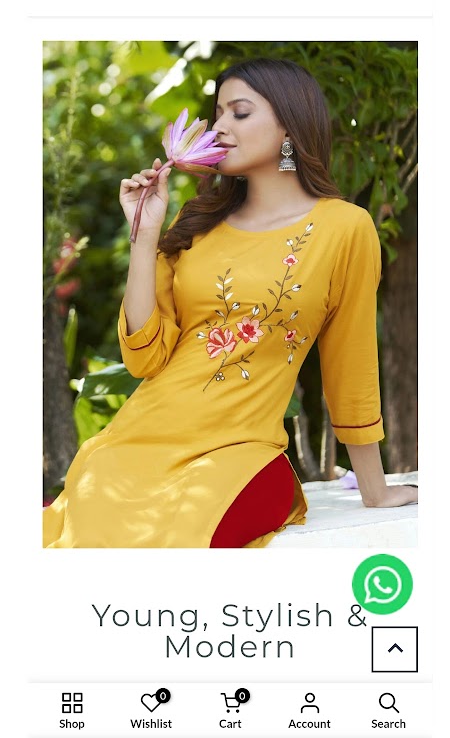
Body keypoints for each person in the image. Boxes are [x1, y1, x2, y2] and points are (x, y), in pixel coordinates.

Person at [43, 58, 418, 549]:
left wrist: (375, 489)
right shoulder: (196, 222)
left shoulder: (343, 228)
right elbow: (144, 357)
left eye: (239, 113)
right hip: (137, 443)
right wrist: (144, 235)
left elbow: (351, 363)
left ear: (290, 126)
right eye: (217, 113)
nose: (218, 127)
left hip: (239, 457)